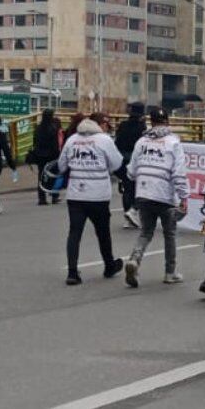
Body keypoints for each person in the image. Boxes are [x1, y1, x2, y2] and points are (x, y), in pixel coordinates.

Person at [125, 108, 189, 287]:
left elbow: (131, 171)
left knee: (146, 232)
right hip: (164, 196)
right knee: (170, 234)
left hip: (143, 194)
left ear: (151, 122)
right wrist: (184, 197)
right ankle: (170, 272)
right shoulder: (173, 143)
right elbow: (178, 173)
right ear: (167, 121)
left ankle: (134, 260)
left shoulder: (141, 141)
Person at [58, 112, 125, 285]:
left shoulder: (72, 140)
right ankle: (109, 265)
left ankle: (72, 272)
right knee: (103, 232)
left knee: (74, 233)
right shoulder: (104, 141)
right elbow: (117, 163)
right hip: (98, 195)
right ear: (99, 125)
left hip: (76, 194)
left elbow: (61, 165)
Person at [115, 102, 148, 228]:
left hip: (123, 159)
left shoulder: (123, 125)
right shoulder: (142, 128)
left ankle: (128, 215)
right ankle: (133, 212)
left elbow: (117, 142)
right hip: (137, 161)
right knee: (140, 189)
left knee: (127, 189)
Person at [27, 109, 65, 205]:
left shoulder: (38, 128)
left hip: (40, 155)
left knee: (41, 176)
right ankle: (54, 196)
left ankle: (42, 198)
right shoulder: (53, 128)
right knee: (54, 176)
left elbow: (35, 142)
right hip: (52, 156)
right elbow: (55, 144)